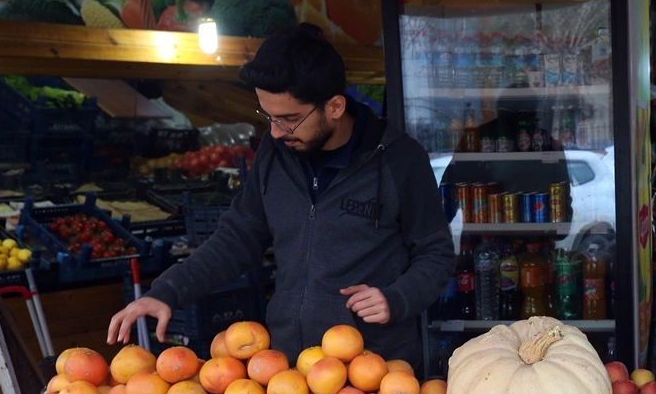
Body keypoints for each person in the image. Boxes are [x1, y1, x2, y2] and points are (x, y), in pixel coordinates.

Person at [108, 24, 456, 369]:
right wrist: (166, 291)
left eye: (288, 119)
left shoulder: (398, 160)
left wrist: (396, 298)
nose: (275, 132)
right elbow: (237, 239)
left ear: (334, 106)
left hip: (372, 373)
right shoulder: (274, 154)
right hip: (288, 372)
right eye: (268, 116)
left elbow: (436, 253)